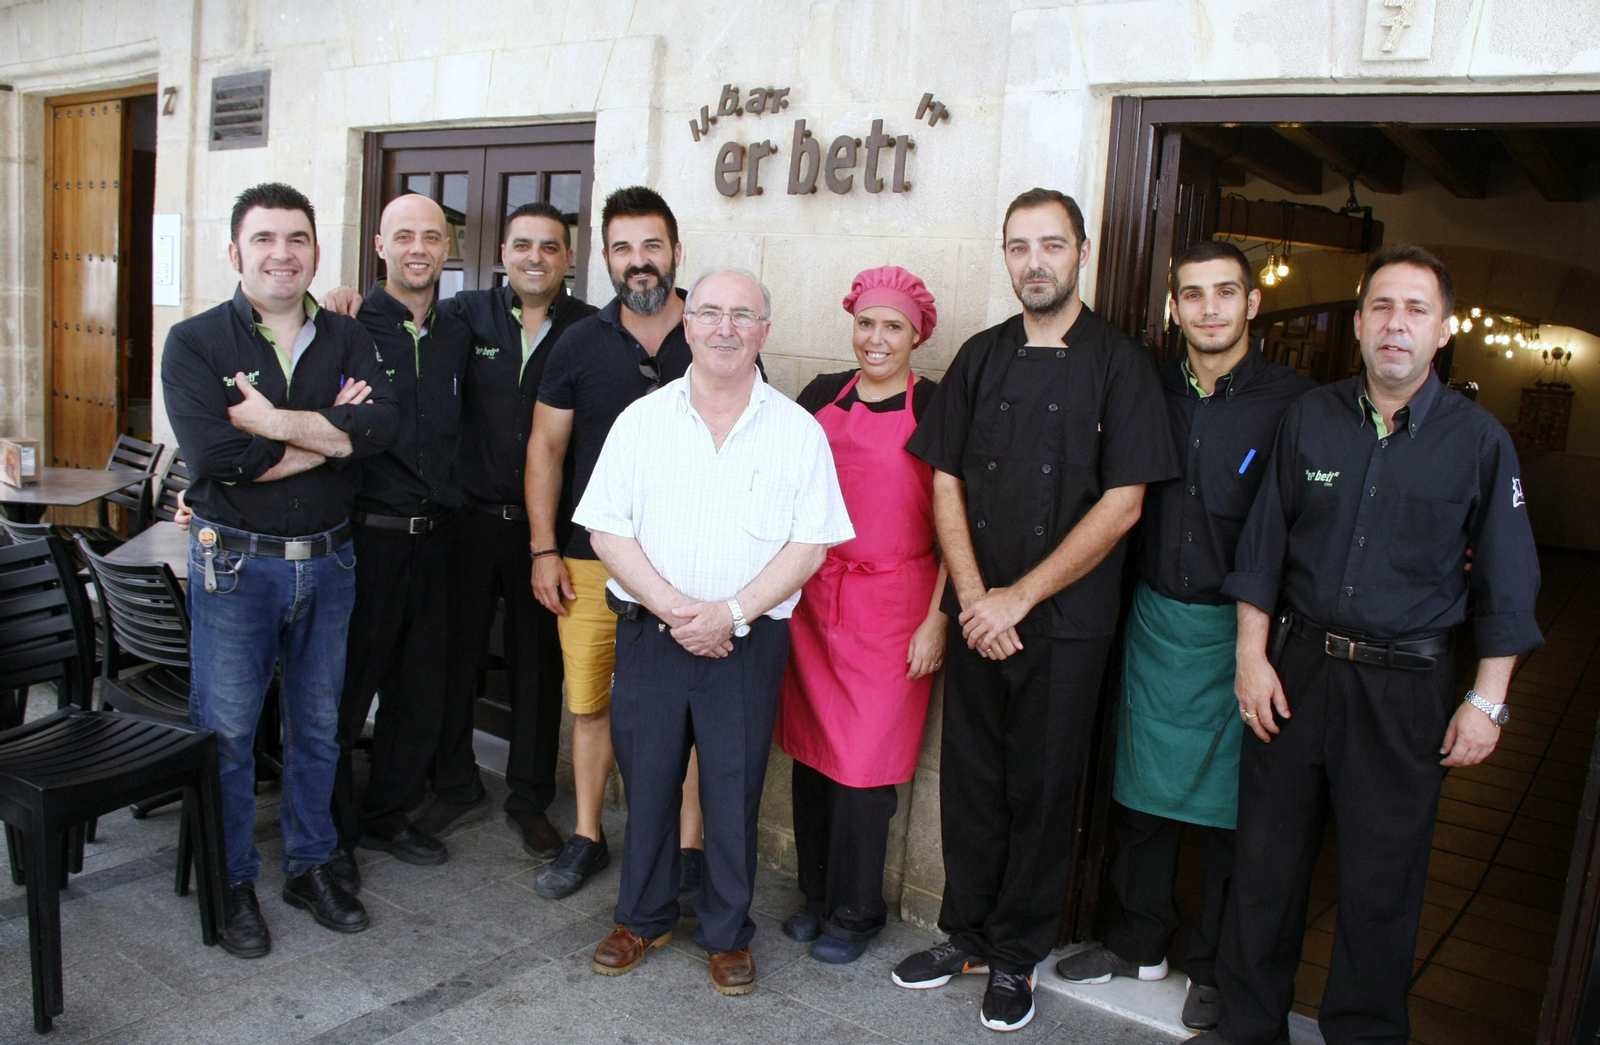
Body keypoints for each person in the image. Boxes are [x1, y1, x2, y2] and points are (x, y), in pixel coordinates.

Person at [1200, 245, 1543, 1045]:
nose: (1397, 325)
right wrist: (1251, 658)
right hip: (1297, 673)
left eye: (1416, 310)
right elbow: (1262, 552)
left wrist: (1487, 700)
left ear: (1444, 330)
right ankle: (1249, 1028)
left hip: (1406, 689)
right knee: (1266, 868)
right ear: (1357, 324)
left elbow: (1507, 583)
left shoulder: (1481, 443)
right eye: (1382, 308)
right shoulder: (1309, 419)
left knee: (1382, 885)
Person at [893, 187, 1180, 1033]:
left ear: (1081, 252)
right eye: (1019, 246)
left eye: (1051, 245)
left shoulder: (1121, 364)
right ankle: (967, 933)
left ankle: (1016, 954)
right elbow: (944, 478)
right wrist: (975, 596)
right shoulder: (982, 357)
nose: (1034, 262)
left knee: (1044, 792)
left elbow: (1124, 503)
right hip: (982, 612)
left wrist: (1018, 595)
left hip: (1064, 624)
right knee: (973, 783)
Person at [1054, 241, 1313, 1033]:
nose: (1209, 309)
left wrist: (1258, 641)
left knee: (1237, 810)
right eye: (1193, 295)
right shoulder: (1145, 384)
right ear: (1174, 307)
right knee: (1140, 794)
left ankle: (1214, 964)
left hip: (1245, 629)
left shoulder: (1293, 402)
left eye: (1225, 293)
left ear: (1251, 303)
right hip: (1153, 614)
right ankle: (1139, 942)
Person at [574, 268, 853, 995]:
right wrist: (675, 608)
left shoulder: (796, 430)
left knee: (733, 791)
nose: (725, 327)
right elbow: (607, 527)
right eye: (710, 313)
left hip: (746, 644)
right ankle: (642, 916)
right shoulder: (642, 420)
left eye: (743, 315)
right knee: (650, 782)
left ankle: (728, 933)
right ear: (687, 325)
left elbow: (810, 544)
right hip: (650, 637)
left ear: (765, 329)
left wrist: (727, 614)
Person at [160, 182, 398, 958]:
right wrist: (329, 434)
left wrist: (270, 423)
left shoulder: (347, 336)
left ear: (316, 252)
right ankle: (231, 881)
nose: (281, 253)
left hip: (330, 565)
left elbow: (379, 428)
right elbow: (217, 460)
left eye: (296, 238)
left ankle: (308, 865)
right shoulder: (195, 343)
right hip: (234, 567)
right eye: (263, 239)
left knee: (319, 727)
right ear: (235, 252)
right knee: (227, 734)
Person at [327, 202, 602, 855]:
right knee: (446, 664)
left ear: (568, 257)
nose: (535, 256)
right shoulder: (462, 315)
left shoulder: (591, 329)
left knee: (538, 669)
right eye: (522, 245)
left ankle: (529, 797)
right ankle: (451, 781)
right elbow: (387, 314)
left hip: (546, 533)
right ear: (501, 253)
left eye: (550, 246)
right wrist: (338, 296)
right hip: (464, 524)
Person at [526, 186, 707, 900]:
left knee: (691, 706)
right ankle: (588, 835)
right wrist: (544, 548)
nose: (639, 262)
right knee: (590, 701)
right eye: (624, 248)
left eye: (652, 246)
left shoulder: (714, 328)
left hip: (691, 563)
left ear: (676, 252)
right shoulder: (578, 341)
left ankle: (689, 849)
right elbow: (545, 447)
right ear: (604, 258)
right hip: (589, 558)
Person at [774, 265, 946, 965]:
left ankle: (859, 907)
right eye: (866, 322)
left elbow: (955, 520)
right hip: (817, 598)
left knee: (865, 772)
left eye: (893, 326)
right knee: (813, 762)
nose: (876, 338)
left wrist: (939, 618)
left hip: (894, 605)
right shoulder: (820, 394)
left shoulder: (934, 406)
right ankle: (816, 898)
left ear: (917, 335)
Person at [327, 193, 472, 885]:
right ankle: (325, 833)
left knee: (420, 691)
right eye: (405, 235)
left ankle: (387, 812)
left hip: (438, 541)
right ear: (380, 245)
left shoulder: (459, 328)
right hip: (366, 542)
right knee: (346, 689)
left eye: (433, 236)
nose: (420, 247)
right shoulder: (344, 327)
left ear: (449, 249)